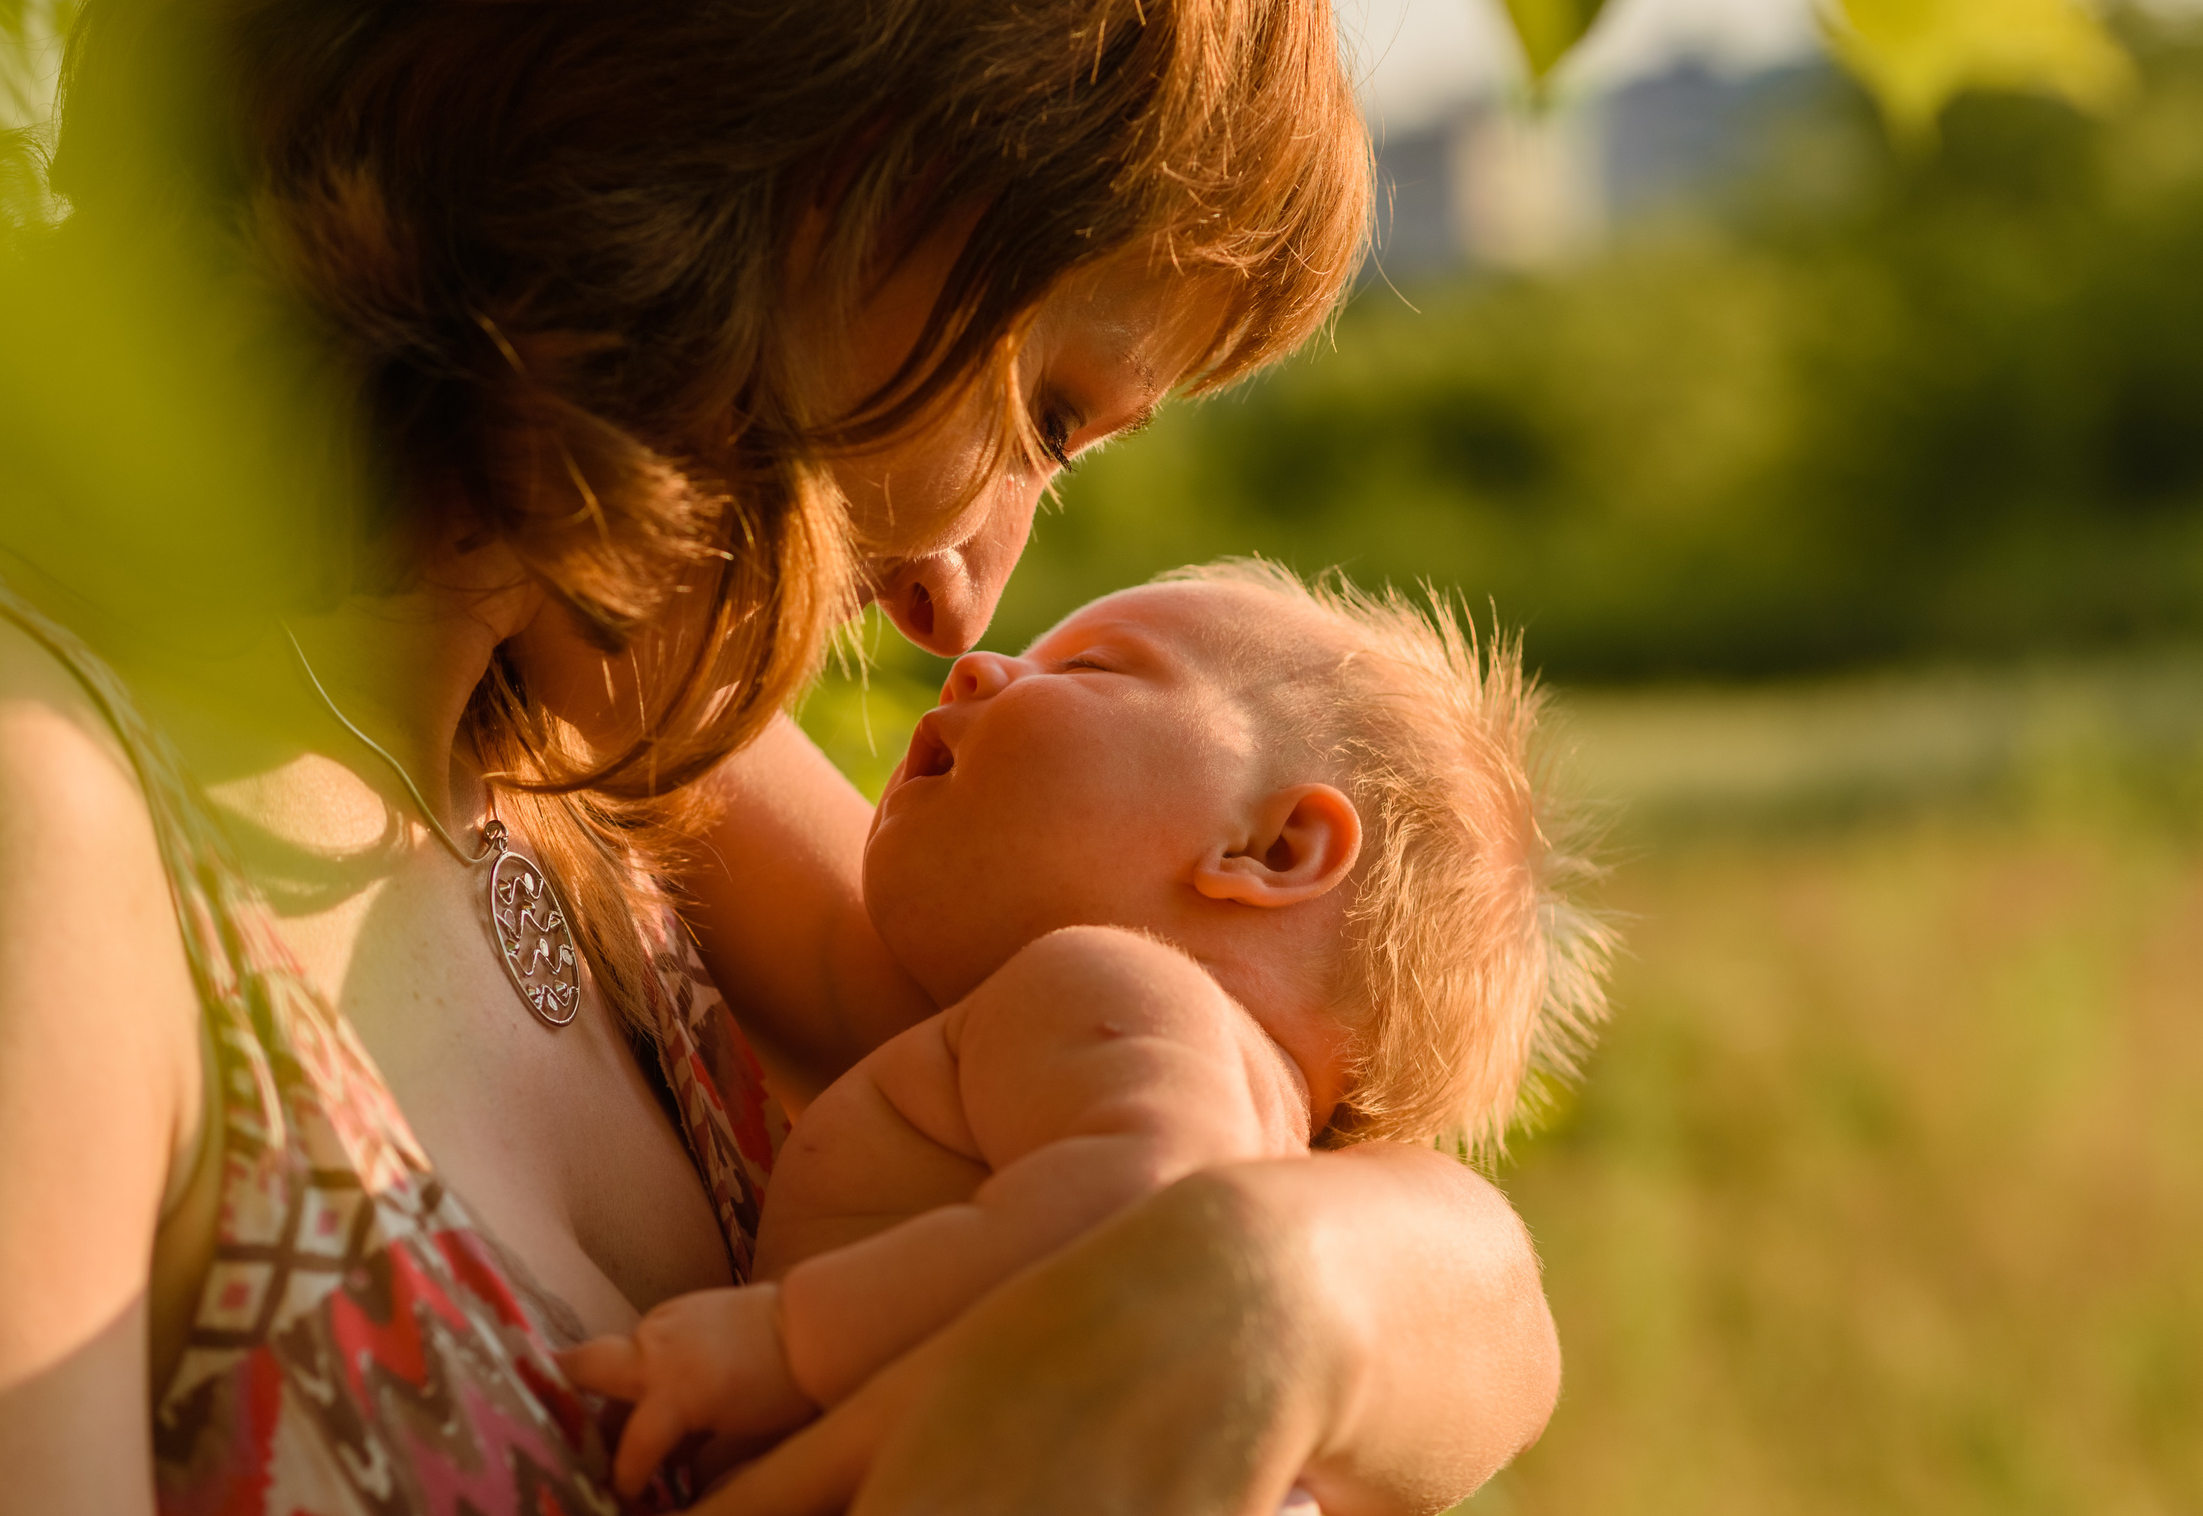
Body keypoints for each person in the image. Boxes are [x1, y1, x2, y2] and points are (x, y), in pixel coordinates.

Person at [0, 0, 1563, 1514]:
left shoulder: (596, 776)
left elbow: (1417, 1225)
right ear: (804, 174)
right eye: (1045, 409)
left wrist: (1258, 1305)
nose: (963, 603)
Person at [562, 562, 1614, 1505]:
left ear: (1275, 844)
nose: (975, 666)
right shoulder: (1206, 1086)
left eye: (1096, 667)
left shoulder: (1110, 984)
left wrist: (789, 1338)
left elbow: (1135, 1209)